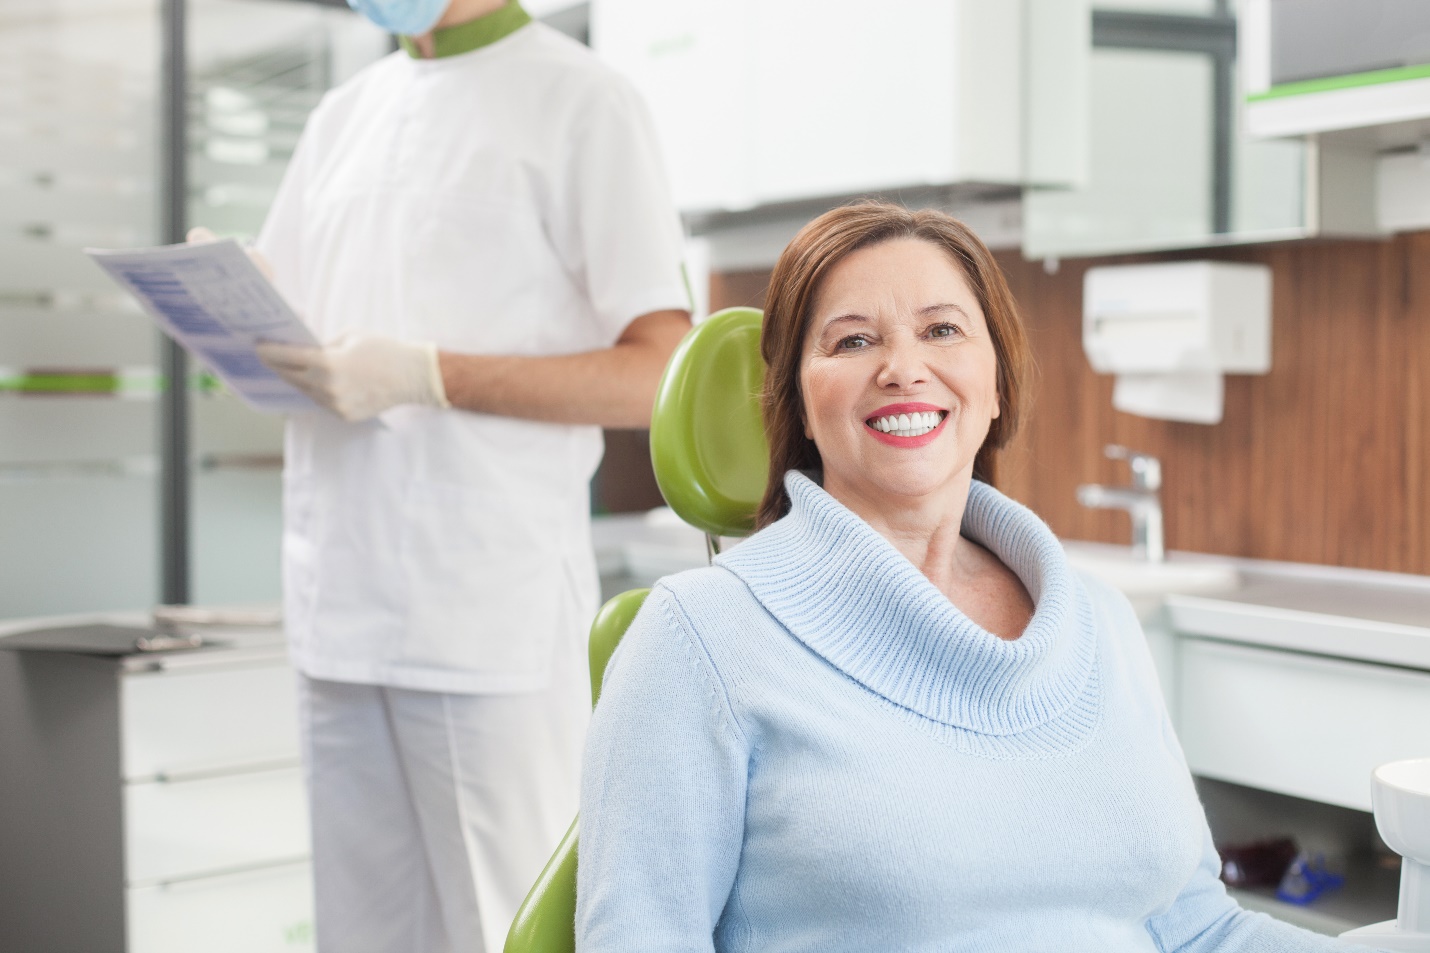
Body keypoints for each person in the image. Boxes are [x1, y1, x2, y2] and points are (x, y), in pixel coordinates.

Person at [576, 202, 1382, 952]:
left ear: (996, 384)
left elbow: (1197, 928)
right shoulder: (699, 639)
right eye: (853, 341)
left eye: (943, 330)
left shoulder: (1098, 622)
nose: (904, 367)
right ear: (796, 398)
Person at [234, 1, 691, 950]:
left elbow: (657, 372)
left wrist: (431, 375)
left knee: (508, 925)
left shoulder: (583, 101)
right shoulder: (341, 116)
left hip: (483, 619)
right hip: (337, 604)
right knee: (359, 933)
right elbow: (294, 330)